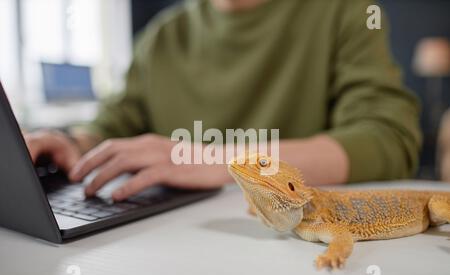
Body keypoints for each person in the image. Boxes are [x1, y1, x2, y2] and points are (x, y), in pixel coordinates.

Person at [25, 0, 422, 202]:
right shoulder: (163, 35)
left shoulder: (346, 12)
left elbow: (388, 140)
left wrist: (212, 160)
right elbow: (111, 127)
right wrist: (73, 144)